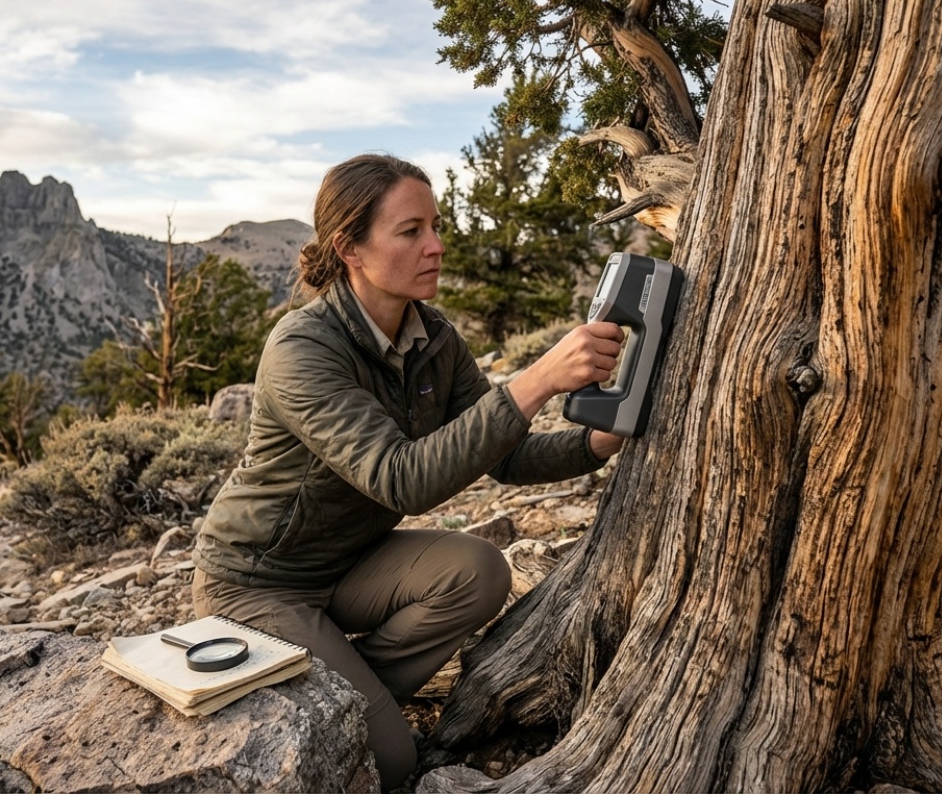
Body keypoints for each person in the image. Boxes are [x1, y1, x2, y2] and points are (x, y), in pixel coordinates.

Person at [191, 153, 625, 789]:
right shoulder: (302, 347)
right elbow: (403, 480)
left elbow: (503, 453)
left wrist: (594, 444)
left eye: (436, 226)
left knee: (478, 570)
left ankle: (345, 689)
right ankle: (347, 699)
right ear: (350, 249)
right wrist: (536, 380)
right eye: (411, 230)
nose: (436, 245)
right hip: (259, 582)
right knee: (390, 760)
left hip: (349, 564)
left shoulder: (433, 338)